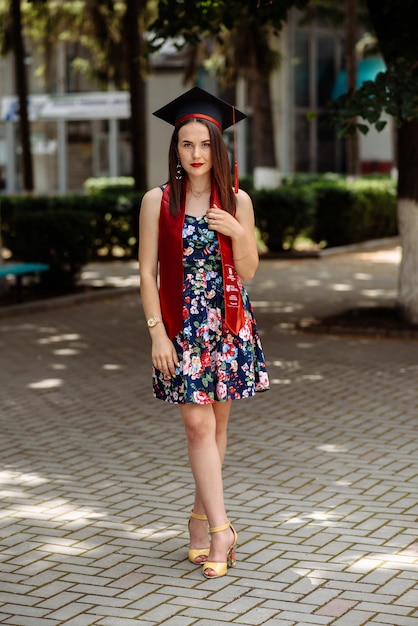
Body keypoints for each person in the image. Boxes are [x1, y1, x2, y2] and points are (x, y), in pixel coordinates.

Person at [139, 86, 269, 579]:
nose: (195, 154)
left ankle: (197, 519)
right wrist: (157, 334)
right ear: (175, 148)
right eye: (186, 144)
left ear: (218, 148)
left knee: (216, 430)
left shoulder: (237, 200)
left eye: (204, 144)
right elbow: (146, 275)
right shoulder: (158, 201)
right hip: (180, 331)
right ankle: (222, 530)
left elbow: (250, 270)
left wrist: (237, 232)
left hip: (228, 325)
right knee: (196, 427)